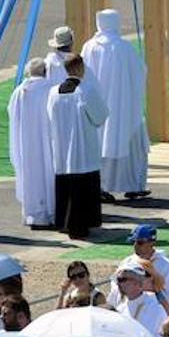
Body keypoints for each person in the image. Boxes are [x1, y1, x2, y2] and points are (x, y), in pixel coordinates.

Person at [81, 8, 150, 201]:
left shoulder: (89, 47)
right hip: (124, 107)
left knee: (101, 143)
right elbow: (139, 72)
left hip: (99, 106)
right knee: (130, 142)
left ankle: (101, 185)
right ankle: (133, 184)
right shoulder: (124, 47)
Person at [48, 54, 110, 240]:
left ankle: (65, 223)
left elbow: (50, 116)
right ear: (81, 68)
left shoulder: (53, 92)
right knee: (83, 187)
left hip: (62, 145)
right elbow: (100, 116)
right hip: (83, 146)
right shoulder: (86, 90)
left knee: (66, 187)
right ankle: (81, 225)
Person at [8, 58, 56, 228]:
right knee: (48, 174)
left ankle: (33, 214)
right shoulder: (51, 88)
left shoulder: (20, 92)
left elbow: (13, 116)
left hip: (26, 143)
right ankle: (51, 212)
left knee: (31, 176)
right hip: (47, 141)